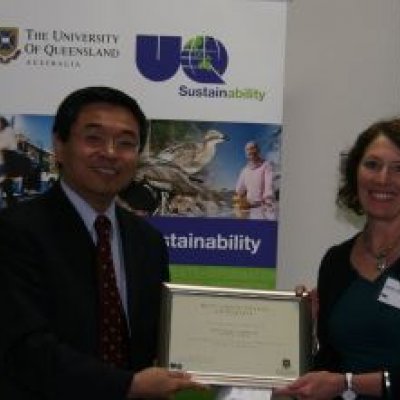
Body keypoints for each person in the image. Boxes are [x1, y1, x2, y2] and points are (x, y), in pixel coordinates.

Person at [0, 86, 206, 399]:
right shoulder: (15, 231)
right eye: (93, 138)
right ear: (59, 146)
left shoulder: (148, 242)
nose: (110, 153)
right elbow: (23, 346)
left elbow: (155, 340)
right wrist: (127, 386)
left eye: (126, 143)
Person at [275, 118, 400, 399]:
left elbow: (337, 380)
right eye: (372, 165)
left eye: (398, 168)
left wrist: (347, 383)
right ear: (355, 172)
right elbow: (329, 366)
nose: (382, 179)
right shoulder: (336, 261)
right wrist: (304, 333)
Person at [234, 141, 275, 219]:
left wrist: (268, 202)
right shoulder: (244, 170)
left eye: (253, 148)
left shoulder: (266, 165)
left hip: (264, 208)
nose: (250, 151)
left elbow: (269, 186)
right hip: (250, 209)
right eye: (247, 149)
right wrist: (239, 202)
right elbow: (239, 190)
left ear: (258, 150)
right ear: (246, 153)